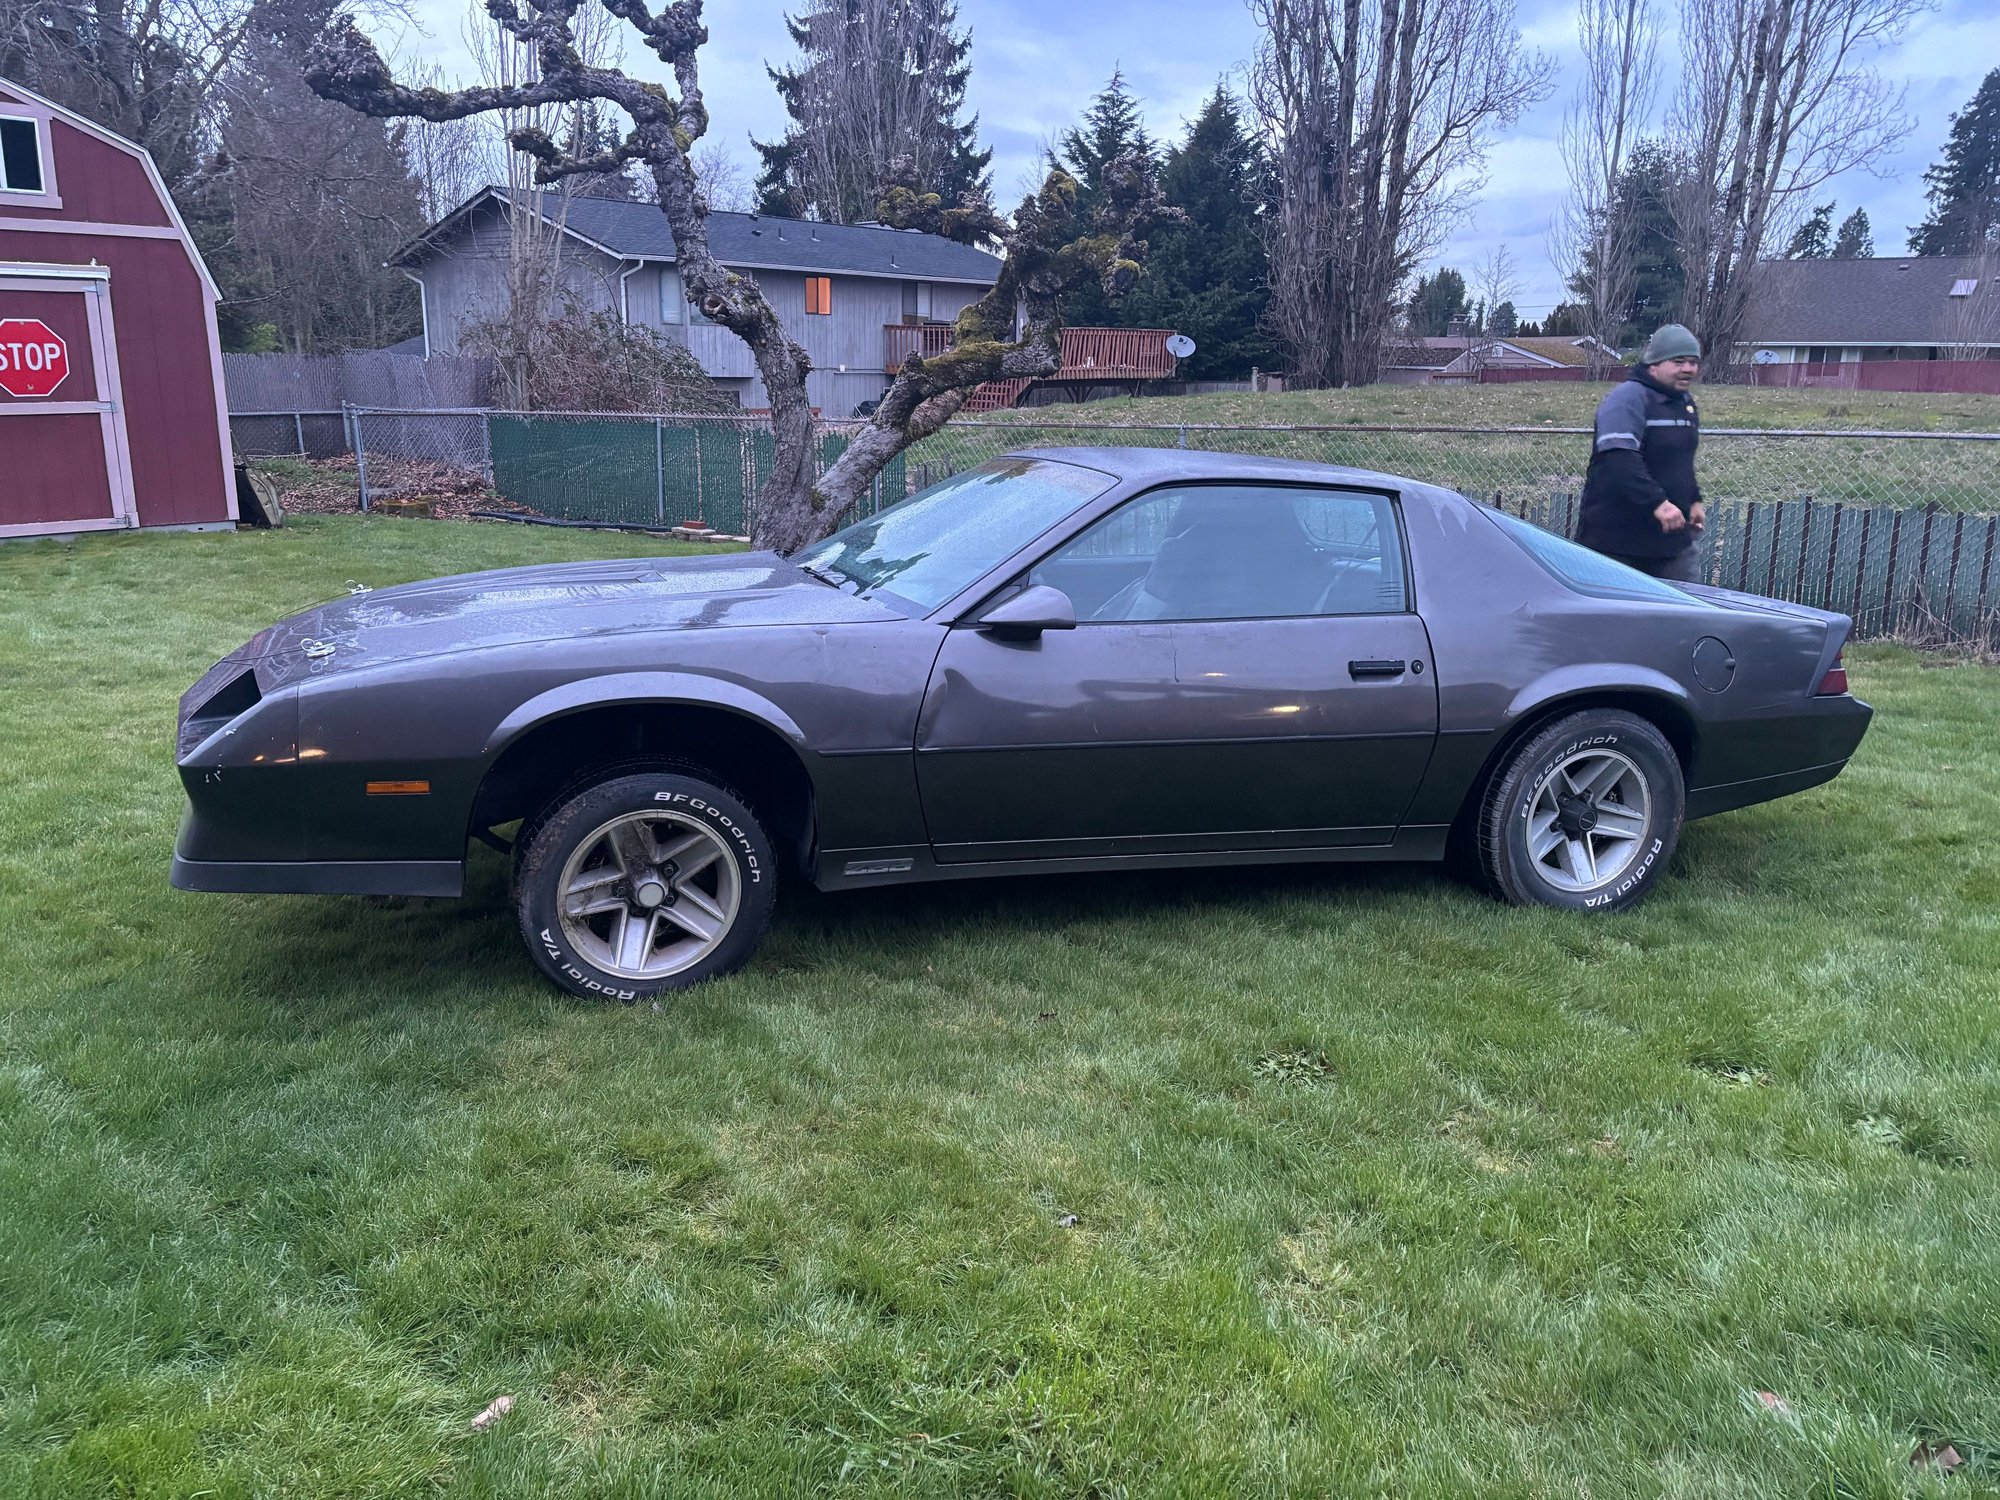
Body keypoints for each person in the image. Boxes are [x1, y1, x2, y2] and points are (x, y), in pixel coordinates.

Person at [1576, 324, 1706, 582]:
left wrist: (1693, 499)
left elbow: (1680, 462)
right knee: (1616, 619)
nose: (1689, 369)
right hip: (1617, 543)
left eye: (1693, 362)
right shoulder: (1627, 399)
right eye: (1679, 361)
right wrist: (1657, 503)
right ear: (1653, 364)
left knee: (1685, 615)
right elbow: (1618, 460)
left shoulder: (1684, 404)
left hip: (1671, 542)